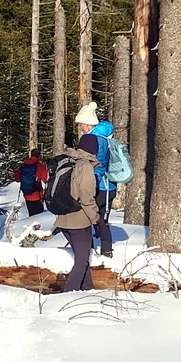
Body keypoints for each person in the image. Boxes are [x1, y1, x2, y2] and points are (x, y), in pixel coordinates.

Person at [52, 132, 101, 291]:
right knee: (81, 261)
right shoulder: (85, 166)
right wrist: (96, 220)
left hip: (63, 218)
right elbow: (86, 196)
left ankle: (88, 289)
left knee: (83, 258)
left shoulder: (68, 160)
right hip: (78, 221)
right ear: (94, 149)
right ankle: (68, 294)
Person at [72, 103, 116, 258]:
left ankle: (86, 250)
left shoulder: (89, 139)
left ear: (86, 124)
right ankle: (106, 250)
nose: (79, 128)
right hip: (109, 186)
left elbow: (86, 164)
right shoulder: (105, 137)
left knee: (84, 216)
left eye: (80, 124)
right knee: (102, 218)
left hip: (95, 184)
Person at [15, 150, 51, 216]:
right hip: (37, 194)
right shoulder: (40, 166)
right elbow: (46, 180)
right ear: (39, 156)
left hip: (26, 194)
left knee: (31, 214)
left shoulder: (23, 166)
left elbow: (17, 179)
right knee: (39, 216)